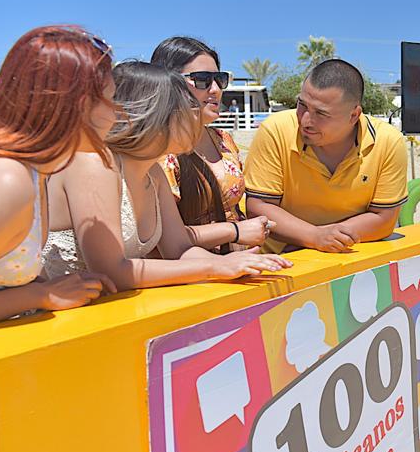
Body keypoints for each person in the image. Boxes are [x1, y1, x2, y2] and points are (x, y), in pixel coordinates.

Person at [44, 61, 290, 290]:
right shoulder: (94, 164)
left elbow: (179, 249)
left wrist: (237, 263)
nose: (195, 117)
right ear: (151, 116)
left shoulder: (154, 173)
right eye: (185, 108)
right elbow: (110, 271)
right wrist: (214, 267)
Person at [0, 26, 115, 335]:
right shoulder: (5, 180)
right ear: (78, 105)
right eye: (112, 99)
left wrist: (47, 288)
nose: (117, 113)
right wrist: (40, 295)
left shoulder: (34, 172)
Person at [244, 59, 409, 253]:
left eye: (321, 113)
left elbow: (384, 219)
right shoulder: (275, 130)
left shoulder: (388, 141)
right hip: (277, 261)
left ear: (354, 115)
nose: (305, 120)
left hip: (353, 259)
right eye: (302, 105)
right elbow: (258, 207)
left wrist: (325, 238)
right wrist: (313, 237)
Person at [151, 37, 267, 251]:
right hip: (194, 268)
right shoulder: (159, 151)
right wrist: (235, 231)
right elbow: (160, 239)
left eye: (220, 79)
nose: (215, 89)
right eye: (202, 79)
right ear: (167, 83)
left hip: (240, 262)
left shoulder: (223, 139)